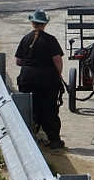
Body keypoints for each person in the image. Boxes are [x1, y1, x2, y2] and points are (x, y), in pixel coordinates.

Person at [15, 10, 65, 149]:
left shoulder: (25, 39)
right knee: (49, 109)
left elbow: (18, 61)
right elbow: (57, 61)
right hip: (48, 80)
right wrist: (59, 74)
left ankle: (31, 135)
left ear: (32, 23)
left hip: (27, 79)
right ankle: (54, 139)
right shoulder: (50, 40)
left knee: (31, 108)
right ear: (45, 24)